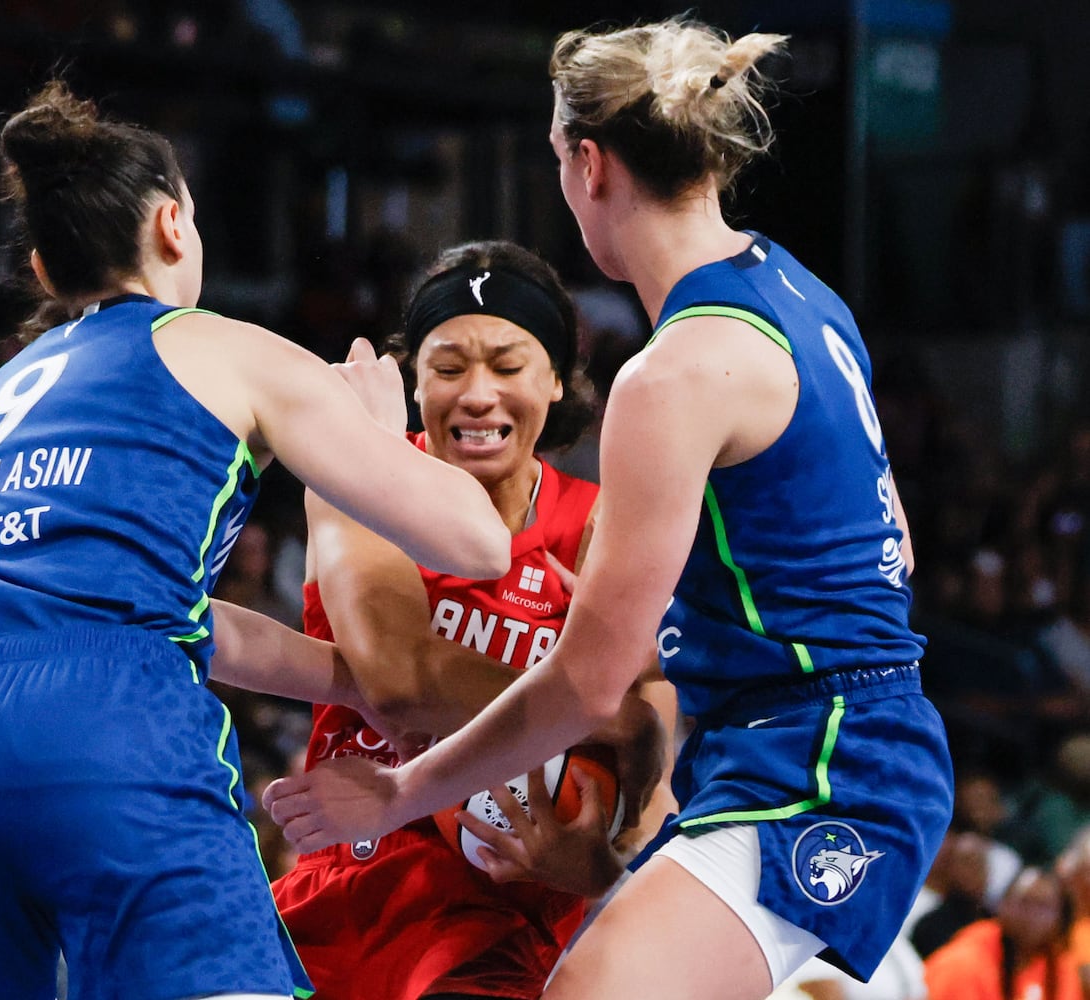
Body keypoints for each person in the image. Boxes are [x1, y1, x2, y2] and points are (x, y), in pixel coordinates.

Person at [264, 18, 953, 999]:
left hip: (823, 761)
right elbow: (896, 549)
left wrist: (400, 790)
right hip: (813, 741)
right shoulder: (802, 296)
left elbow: (585, 688)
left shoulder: (671, 375)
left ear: (587, 164)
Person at [0, 80, 510, 1000]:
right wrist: (375, 429)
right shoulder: (219, 345)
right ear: (171, 225)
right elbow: (478, 540)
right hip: (101, 725)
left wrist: (352, 681)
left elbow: (145, 608)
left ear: (46, 270)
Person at [269, 240, 672, 1000]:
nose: (478, 395)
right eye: (448, 367)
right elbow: (401, 682)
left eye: (508, 366)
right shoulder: (361, 477)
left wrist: (597, 868)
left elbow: (649, 795)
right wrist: (596, 710)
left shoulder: (600, 532)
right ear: (413, 380)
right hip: (341, 897)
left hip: (501, 926)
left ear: (556, 381)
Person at [922, 867, 1081, 1000]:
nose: (1031, 916)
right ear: (1003, 905)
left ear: (1060, 918)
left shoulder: (1060, 968)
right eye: (1024, 902)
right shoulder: (966, 960)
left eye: (1043, 907)